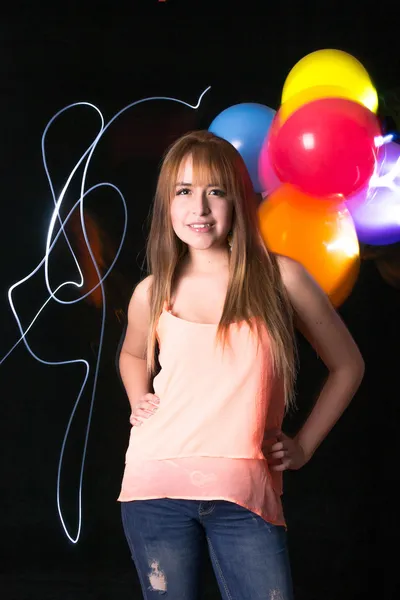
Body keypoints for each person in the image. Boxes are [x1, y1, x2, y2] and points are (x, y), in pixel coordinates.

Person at [117, 130, 365, 599]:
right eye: (184, 192)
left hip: (245, 494)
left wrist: (305, 446)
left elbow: (348, 365)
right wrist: (138, 397)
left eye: (217, 191)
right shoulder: (153, 291)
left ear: (240, 201)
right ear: (167, 202)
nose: (200, 208)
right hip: (154, 485)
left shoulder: (281, 278)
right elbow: (132, 353)